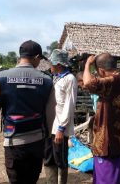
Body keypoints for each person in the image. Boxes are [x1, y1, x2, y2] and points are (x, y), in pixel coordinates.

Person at [0, 40, 55, 184]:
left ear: (21, 56)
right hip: (37, 141)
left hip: (13, 143)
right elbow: (51, 113)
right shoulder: (47, 81)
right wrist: (49, 136)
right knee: (31, 179)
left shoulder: (1, 78)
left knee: (16, 180)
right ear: (37, 57)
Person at [83, 53, 120, 184]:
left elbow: (88, 83)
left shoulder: (116, 80)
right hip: (116, 140)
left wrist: (87, 64)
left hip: (109, 144)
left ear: (102, 71)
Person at [44, 49, 77, 184]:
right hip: (49, 126)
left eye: (51, 62)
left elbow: (69, 105)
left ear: (58, 64)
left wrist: (61, 128)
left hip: (59, 128)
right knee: (48, 158)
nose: (49, 65)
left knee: (60, 160)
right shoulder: (55, 78)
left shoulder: (69, 79)